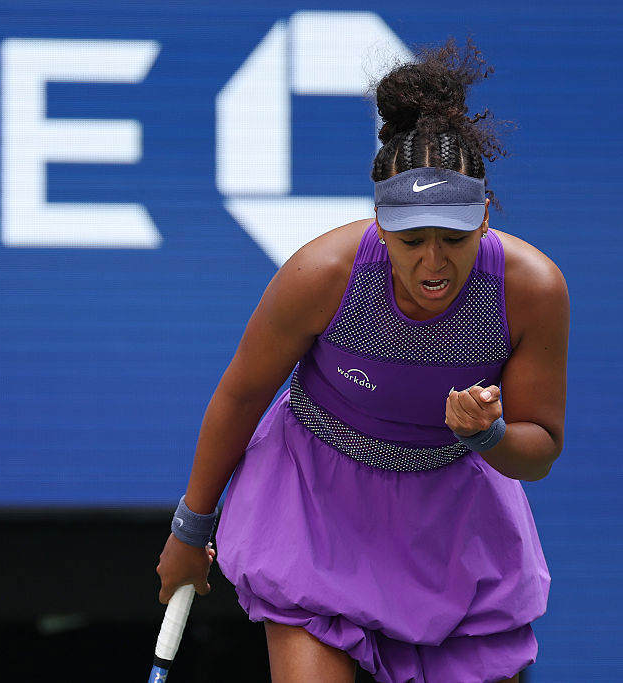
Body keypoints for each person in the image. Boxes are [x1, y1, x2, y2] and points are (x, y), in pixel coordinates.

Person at [157, 38, 569, 683]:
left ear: (485, 218)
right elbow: (240, 396)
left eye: (454, 240)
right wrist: (190, 530)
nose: (433, 262)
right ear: (379, 222)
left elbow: (540, 449)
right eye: (411, 241)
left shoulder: (532, 288)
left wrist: (486, 434)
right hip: (314, 512)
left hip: (454, 529)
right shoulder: (322, 275)